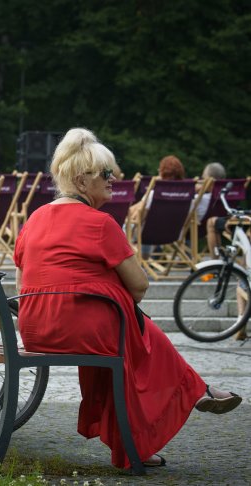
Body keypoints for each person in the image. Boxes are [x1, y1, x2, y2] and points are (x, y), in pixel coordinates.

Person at [13, 128, 242, 470]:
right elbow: (139, 286)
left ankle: (193, 391)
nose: (114, 179)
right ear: (81, 180)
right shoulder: (100, 224)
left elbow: (22, 281)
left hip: (35, 330)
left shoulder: (34, 218)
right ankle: (188, 394)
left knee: (132, 327)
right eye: (105, 174)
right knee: (133, 328)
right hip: (81, 329)